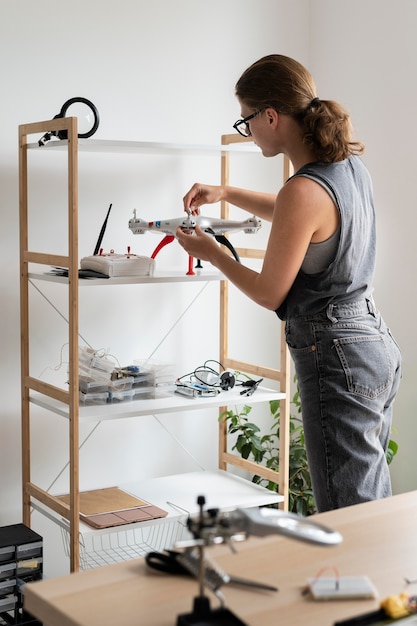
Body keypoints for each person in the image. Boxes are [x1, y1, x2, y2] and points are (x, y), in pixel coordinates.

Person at [176, 54, 402, 513]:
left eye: (246, 121)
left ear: (271, 116)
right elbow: (296, 215)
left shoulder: (303, 190)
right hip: (373, 345)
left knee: (346, 514)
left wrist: (211, 252)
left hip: (336, 356)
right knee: (370, 509)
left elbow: (268, 292)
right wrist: (227, 192)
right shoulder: (350, 169)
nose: (248, 130)